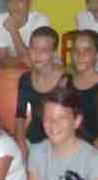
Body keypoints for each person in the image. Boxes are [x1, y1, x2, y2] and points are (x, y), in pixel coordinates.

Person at [14, 27, 67, 161]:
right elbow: (20, 115)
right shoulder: (25, 78)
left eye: (44, 50)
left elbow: (70, 121)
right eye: (33, 48)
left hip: (60, 138)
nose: (37, 54)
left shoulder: (65, 80)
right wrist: (21, 142)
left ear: (53, 53)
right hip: (33, 139)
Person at [68, 30, 98, 149]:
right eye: (75, 50)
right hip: (66, 144)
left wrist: (87, 154)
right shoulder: (65, 82)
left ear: (97, 55)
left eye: (87, 50)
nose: (80, 55)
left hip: (92, 148)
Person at [0, 0, 50, 69]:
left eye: (20, 0)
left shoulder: (40, 20)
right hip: (15, 66)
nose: (15, 5)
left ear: (29, 3)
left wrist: (13, 30)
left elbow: (34, 63)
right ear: (6, 3)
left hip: (44, 66)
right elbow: (3, 61)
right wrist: (23, 59)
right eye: (11, 0)